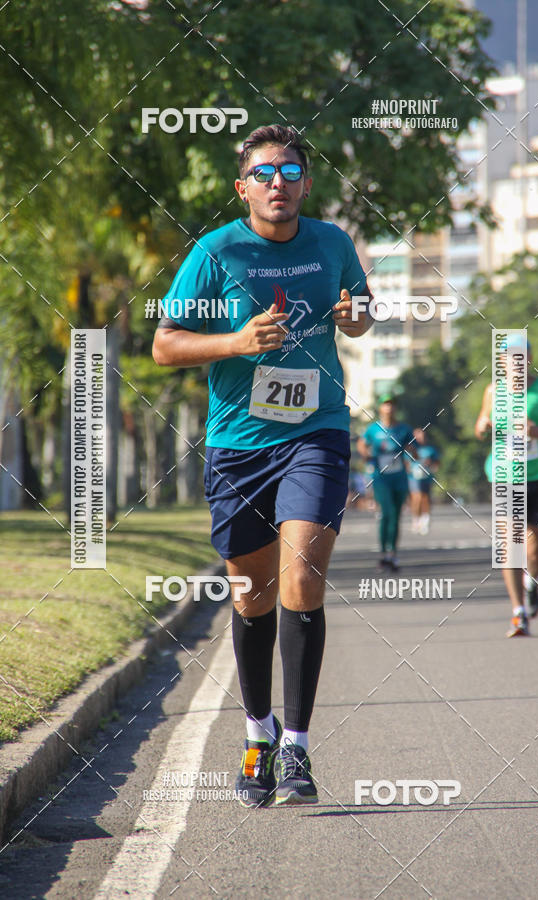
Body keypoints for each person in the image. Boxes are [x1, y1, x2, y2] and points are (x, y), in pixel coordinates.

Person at [152, 124, 373, 807]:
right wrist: (237, 340)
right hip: (238, 443)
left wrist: (356, 315)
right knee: (251, 595)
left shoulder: (332, 243)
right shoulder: (216, 253)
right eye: (265, 173)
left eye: (291, 170)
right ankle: (258, 736)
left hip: (317, 431)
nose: (279, 182)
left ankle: (298, 749)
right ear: (243, 187)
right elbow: (164, 345)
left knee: (301, 573)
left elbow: (362, 311)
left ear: (307, 182)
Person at [475, 338, 538, 637]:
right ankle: (518, 613)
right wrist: (481, 427)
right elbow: (481, 421)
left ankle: (531, 582)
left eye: (521, 358)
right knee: (511, 546)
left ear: (529, 361)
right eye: (509, 358)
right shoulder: (493, 392)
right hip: (505, 475)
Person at [357, 396, 414, 571]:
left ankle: (393, 554)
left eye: (392, 405)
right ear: (380, 408)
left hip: (399, 477)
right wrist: (366, 454)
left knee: (396, 516)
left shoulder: (404, 429)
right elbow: (362, 443)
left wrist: (412, 454)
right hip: (381, 478)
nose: (389, 408)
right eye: (385, 404)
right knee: (386, 512)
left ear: (395, 408)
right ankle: (383, 553)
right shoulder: (373, 429)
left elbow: (412, 448)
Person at [409, 428, 439, 534]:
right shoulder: (411, 449)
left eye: (422, 436)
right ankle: (415, 519)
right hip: (413, 477)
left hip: (427, 476)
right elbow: (405, 463)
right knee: (417, 497)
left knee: (426, 498)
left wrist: (430, 465)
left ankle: (425, 520)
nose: (421, 438)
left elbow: (437, 463)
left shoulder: (431, 450)